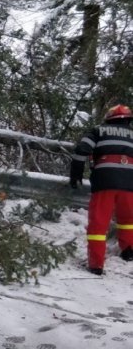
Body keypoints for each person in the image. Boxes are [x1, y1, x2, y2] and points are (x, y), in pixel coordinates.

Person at [70, 104, 133, 275]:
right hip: (130, 184)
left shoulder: (98, 130)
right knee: (128, 220)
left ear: (109, 118)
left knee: (98, 224)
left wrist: (75, 174)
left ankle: (96, 265)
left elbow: (81, 150)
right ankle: (128, 251)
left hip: (105, 181)